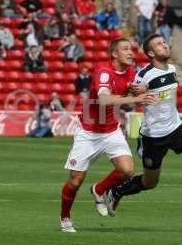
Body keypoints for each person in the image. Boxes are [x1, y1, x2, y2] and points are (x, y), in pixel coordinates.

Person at [101, 34, 182, 222]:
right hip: (153, 136)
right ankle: (117, 192)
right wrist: (138, 94)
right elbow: (127, 103)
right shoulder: (144, 75)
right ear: (151, 53)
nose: (165, 45)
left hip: (176, 127)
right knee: (149, 183)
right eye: (159, 44)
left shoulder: (172, 69)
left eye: (165, 42)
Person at [59, 37, 156, 233]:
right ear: (114, 54)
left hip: (111, 130)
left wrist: (140, 92)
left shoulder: (130, 71)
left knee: (127, 170)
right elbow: (103, 99)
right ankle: (65, 217)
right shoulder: (104, 72)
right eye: (125, 49)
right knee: (75, 181)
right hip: (88, 132)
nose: (131, 52)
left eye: (131, 49)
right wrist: (135, 97)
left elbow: (131, 95)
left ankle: (99, 189)